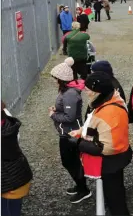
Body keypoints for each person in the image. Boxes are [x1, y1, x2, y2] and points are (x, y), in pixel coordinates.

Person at [68, 72, 132, 215]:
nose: (86, 91)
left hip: (111, 162)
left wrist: (79, 142)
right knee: (114, 193)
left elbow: (107, 148)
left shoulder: (109, 112)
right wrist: (81, 132)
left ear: (98, 91)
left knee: (115, 199)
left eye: (89, 89)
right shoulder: (108, 101)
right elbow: (95, 125)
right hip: (116, 160)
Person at [49, 58, 91, 203]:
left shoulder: (70, 94)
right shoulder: (67, 91)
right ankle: (80, 186)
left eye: (56, 79)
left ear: (62, 79)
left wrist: (54, 115)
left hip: (71, 134)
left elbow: (70, 117)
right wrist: (57, 109)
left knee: (71, 162)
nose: (54, 81)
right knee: (71, 161)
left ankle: (83, 189)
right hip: (67, 133)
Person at [2, 101, 33, 216]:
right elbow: (17, 139)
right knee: (13, 206)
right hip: (19, 173)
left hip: (6, 179)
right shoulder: (7, 117)